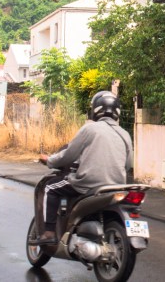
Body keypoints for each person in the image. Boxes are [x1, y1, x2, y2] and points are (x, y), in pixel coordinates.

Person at [38, 91, 133, 242]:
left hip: (87, 185)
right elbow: (128, 164)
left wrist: (50, 160)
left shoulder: (89, 129)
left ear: (95, 109)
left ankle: (48, 232)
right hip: (117, 186)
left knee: (50, 188)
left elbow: (68, 155)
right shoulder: (125, 134)